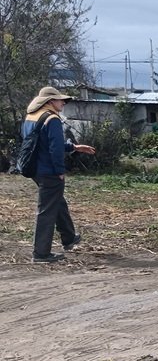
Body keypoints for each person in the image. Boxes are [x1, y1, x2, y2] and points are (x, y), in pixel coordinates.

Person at [23, 86, 96, 263]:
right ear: (50, 102)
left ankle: (69, 237)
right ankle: (41, 253)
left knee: (56, 202)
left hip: (35, 169)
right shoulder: (52, 119)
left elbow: (41, 143)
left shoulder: (31, 117)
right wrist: (59, 171)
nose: (63, 102)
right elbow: (55, 149)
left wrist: (74, 147)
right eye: (59, 100)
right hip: (49, 171)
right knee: (46, 210)